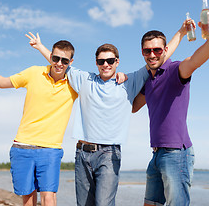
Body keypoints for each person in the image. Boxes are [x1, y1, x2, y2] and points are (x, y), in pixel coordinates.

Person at [26, 25, 187, 206]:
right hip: (82, 153)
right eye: (101, 61)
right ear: (96, 63)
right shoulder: (85, 80)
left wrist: (181, 32)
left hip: (109, 154)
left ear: (117, 61)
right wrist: (40, 47)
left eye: (110, 61)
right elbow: (59, 62)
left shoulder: (130, 81)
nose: (106, 65)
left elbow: (158, 57)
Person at [132, 14, 209, 206]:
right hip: (156, 154)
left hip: (177, 153)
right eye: (147, 51)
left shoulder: (175, 71)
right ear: (142, 52)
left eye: (157, 50)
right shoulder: (149, 82)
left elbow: (194, 60)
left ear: (165, 50)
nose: (152, 54)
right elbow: (134, 106)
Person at [0, 39, 78, 206]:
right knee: (28, 199)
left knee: (49, 197)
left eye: (64, 60)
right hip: (22, 147)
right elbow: (2, 82)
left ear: (70, 62)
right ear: (50, 57)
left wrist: (120, 77)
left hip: (50, 150)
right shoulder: (34, 73)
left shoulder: (74, 83)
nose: (59, 63)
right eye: (55, 58)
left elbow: (100, 83)